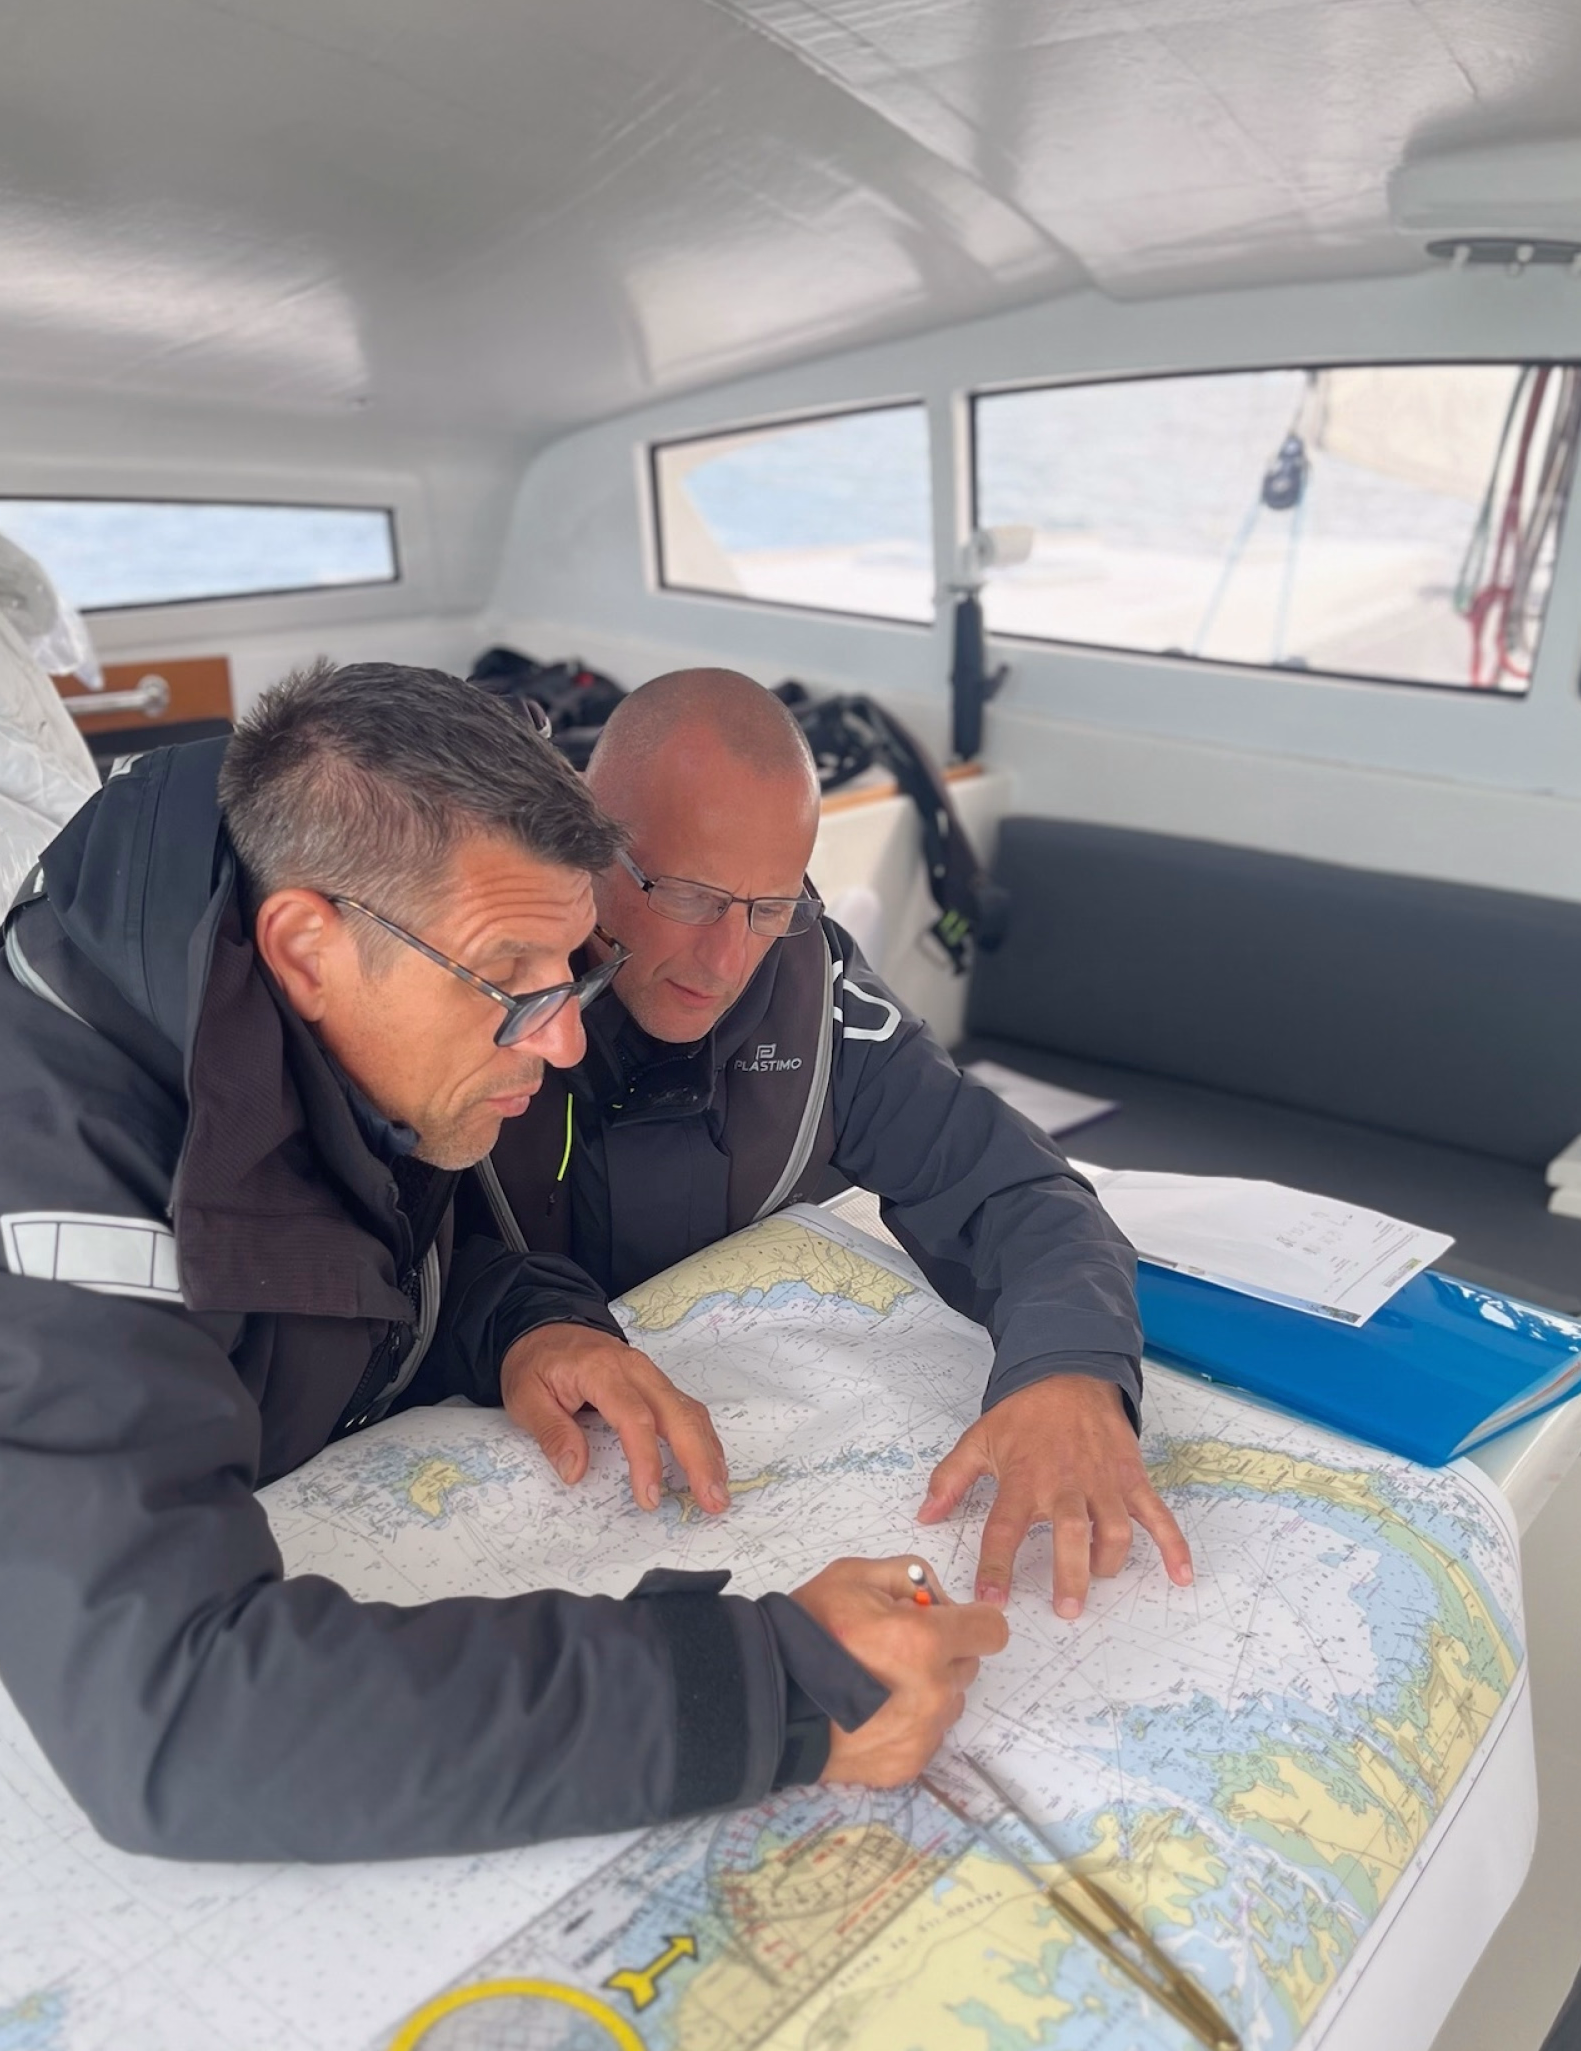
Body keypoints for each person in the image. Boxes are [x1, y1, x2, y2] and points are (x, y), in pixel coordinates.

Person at [0, 661, 1006, 1853]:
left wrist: (528, 1323)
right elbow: (181, 1721)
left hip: (99, 1648)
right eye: (514, 980)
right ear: (309, 946)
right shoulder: (25, 1163)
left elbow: (353, 1272)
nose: (562, 1041)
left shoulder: (310, 1024)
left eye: (571, 969)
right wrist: (764, 1687)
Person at [476, 667, 1194, 1618]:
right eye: (689, 895)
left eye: (769, 907)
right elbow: (372, 1265)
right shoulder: (471, 984)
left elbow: (1021, 1193)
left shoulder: (818, 997)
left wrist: (1071, 1368)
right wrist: (526, 1325)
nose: (728, 961)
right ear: (590, 842)